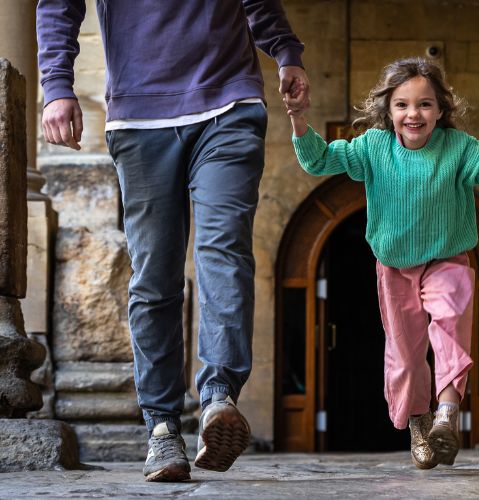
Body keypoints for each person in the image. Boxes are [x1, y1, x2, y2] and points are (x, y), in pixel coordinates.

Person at [36, 0, 309, 482]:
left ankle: (218, 397)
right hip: (140, 116)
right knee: (155, 277)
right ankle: (162, 429)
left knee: (223, 249)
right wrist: (57, 85)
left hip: (230, 101)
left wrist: (286, 51)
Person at [286, 58, 479, 468]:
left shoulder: (458, 147)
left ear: (440, 110)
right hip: (395, 269)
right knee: (406, 355)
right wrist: (298, 117)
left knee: (450, 325)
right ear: (388, 110)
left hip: (446, 259)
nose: (414, 114)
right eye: (402, 105)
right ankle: (420, 423)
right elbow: (318, 160)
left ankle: (447, 416)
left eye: (425, 104)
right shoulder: (373, 147)